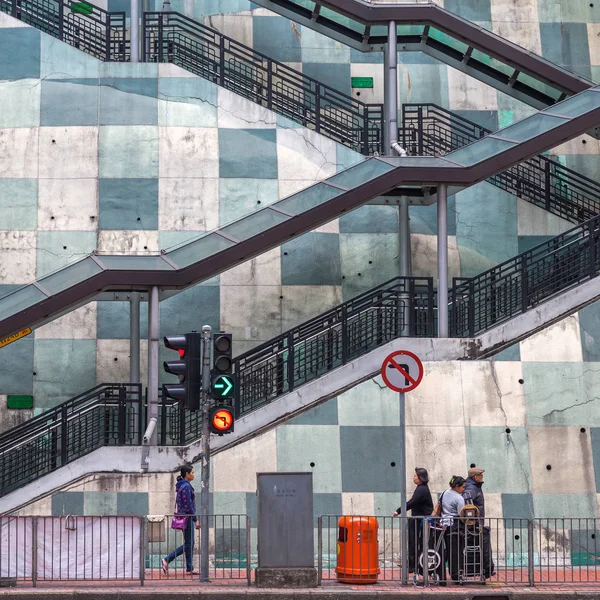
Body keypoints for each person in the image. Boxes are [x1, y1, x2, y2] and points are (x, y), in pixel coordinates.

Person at [393, 467, 433, 573]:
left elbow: (412, 502)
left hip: (420, 521)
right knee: (415, 542)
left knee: (415, 542)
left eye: (415, 475)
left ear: (420, 477)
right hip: (419, 519)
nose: (413, 477)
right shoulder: (421, 488)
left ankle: (413, 566)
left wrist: (399, 510)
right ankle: (413, 564)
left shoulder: (422, 489)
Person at [162, 465, 200, 576]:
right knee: (189, 543)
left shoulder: (183, 485)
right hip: (187, 518)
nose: (193, 474)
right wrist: (195, 519)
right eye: (192, 472)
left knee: (189, 543)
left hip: (184, 517)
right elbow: (188, 506)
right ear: (187, 474)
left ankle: (189, 568)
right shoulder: (186, 487)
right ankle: (167, 559)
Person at [464, 466, 495, 578]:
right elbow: (467, 504)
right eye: (481, 476)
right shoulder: (471, 488)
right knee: (484, 546)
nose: (482, 478)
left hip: (476, 524)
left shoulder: (474, 487)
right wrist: (475, 522)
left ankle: (488, 569)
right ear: (475, 477)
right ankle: (487, 570)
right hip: (474, 526)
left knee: (484, 546)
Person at [441, 475, 466, 582]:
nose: (464, 489)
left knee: (446, 550)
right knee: (456, 551)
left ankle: (440, 572)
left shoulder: (445, 493)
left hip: (444, 525)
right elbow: (462, 515)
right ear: (457, 486)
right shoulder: (459, 498)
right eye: (463, 487)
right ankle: (455, 574)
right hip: (455, 526)